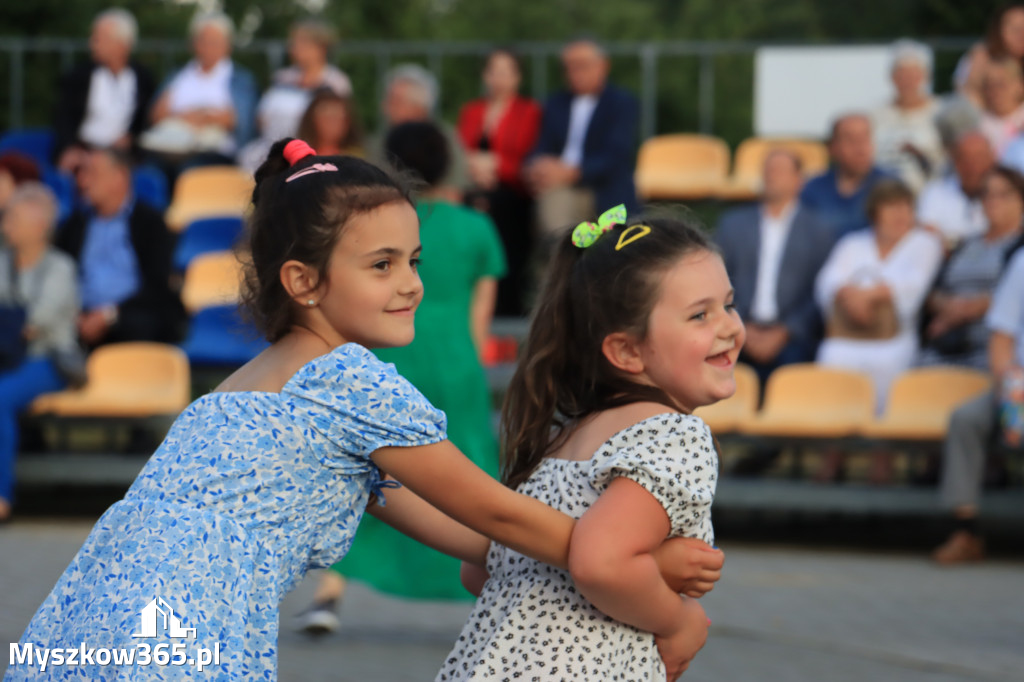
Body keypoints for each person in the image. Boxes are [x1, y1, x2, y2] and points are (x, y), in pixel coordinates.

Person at [8, 140, 723, 680]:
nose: (410, 283)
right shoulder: (351, 384)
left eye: (415, 261)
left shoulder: (253, 381)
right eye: (381, 265)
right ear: (303, 281)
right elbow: (498, 515)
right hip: (183, 633)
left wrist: (614, 554)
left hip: (86, 618)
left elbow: (470, 537)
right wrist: (640, 554)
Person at [437, 205, 739, 681]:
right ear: (626, 351)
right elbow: (601, 563)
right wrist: (677, 620)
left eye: (729, 303)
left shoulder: (561, 437)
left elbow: (478, 573)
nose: (728, 326)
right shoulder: (675, 436)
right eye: (700, 315)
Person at [297, 121, 507, 631]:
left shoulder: (383, 225)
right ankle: (502, 594)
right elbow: (480, 322)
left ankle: (330, 593)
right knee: (475, 477)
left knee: (368, 478)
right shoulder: (477, 228)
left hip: (393, 357)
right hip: (455, 361)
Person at [815, 179, 944, 410]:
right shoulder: (852, 242)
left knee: (888, 396)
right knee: (830, 361)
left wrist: (870, 296)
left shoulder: (925, 243)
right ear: (875, 212)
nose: (899, 214)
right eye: (891, 206)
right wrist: (850, 297)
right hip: (846, 337)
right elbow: (827, 282)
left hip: (895, 340)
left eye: (905, 206)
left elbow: (914, 286)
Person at [933, 248, 1024, 564]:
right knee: (966, 419)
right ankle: (965, 531)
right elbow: (1001, 337)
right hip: (1018, 385)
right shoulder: (1021, 262)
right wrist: (1009, 387)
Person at [715, 149, 837, 384]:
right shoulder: (733, 225)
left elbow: (821, 291)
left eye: (780, 170)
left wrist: (785, 331)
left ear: (799, 180)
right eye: (768, 170)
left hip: (794, 339)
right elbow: (718, 280)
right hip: (737, 332)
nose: (772, 176)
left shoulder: (819, 230)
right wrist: (739, 325)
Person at [0, 184, 81, 522]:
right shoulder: (2, 261)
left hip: (48, 359)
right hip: (6, 355)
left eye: (12, 218)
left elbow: (37, 323)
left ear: (39, 225)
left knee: (0, 397)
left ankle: (2, 495)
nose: (5, 225)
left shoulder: (60, 268)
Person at [55, 148, 184, 348]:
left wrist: (109, 315)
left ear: (119, 177)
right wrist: (75, 314)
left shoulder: (150, 222)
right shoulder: (74, 225)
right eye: (80, 174)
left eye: (92, 173)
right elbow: (62, 274)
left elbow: (157, 285)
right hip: (80, 317)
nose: (82, 182)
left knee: (141, 326)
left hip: (132, 317)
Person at [526, 39, 640, 240]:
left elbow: (616, 154)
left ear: (603, 66)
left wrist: (573, 172)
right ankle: (564, 267)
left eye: (582, 66)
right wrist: (537, 168)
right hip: (561, 188)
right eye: (569, 67)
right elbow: (541, 146)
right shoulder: (555, 104)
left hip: (606, 188)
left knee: (615, 243)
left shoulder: (621, 102)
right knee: (557, 229)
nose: (575, 73)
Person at [457, 48, 542, 316]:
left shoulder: (529, 112)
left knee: (498, 211)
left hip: (513, 193)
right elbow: (461, 151)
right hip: (474, 187)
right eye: (494, 71)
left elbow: (529, 160)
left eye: (506, 72)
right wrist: (476, 168)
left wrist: (495, 165)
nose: (499, 79)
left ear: (517, 77)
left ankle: (505, 307)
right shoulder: (472, 111)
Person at [919, 166, 1024, 369]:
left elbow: (1015, 297)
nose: (993, 201)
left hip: (991, 349)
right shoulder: (965, 244)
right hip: (946, 343)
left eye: (1003, 194)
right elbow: (933, 291)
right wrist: (949, 309)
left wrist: (967, 310)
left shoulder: (1020, 248)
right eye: (987, 194)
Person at [143, 11, 257, 168]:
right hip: (170, 148)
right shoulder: (178, 76)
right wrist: (194, 117)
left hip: (216, 153)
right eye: (203, 41)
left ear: (227, 45)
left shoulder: (240, 80)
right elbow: (156, 115)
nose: (208, 47)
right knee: (147, 171)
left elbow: (241, 122)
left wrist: (197, 116)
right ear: (193, 43)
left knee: (190, 170)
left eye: (214, 42)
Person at [237, 18, 353, 173]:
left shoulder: (336, 83)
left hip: (313, 154)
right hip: (273, 150)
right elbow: (261, 118)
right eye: (294, 42)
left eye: (302, 42)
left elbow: (339, 126)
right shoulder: (281, 78)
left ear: (321, 47)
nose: (294, 47)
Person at [52, 8, 156, 173]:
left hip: (123, 155)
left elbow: (146, 119)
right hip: (84, 151)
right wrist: (69, 148)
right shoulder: (79, 76)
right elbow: (63, 118)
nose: (93, 43)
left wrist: (132, 139)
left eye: (100, 38)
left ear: (122, 44)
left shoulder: (142, 78)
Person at [369, 64, 467, 195]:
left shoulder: (444, 140)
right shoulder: (379, 141)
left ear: (419, 107)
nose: (385, 107)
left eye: (395, 101)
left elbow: (455, 189)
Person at [801, 113, 890, 238]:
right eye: (851, 140)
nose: (860, 148)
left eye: (865, 138)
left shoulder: (889, 187)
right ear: (833, 148)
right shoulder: (813, 189)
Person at [872, 39, 944, 193]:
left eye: (913, 75)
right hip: (882, 194)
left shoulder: (941, 112)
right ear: (892, 77)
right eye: (902, 74)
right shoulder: (875, 115)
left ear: (925, 77)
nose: (907, 81)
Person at [917, 131, 996, 249]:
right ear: (955, 162)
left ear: (993, 158)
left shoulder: (1011, 193)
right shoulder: (936, 191)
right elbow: (927, 234)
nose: (973, 165)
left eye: (979, 157)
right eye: (965, 158)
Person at [954, 2, 1024, 107]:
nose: (1021, 34)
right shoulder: (981, 56)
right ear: (998, 30)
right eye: (1014, 28)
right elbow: (966, 97)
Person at [295, 88, 364, 157]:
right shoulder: (300, 156)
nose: (332, 124)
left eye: (339, 118)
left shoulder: (355, 158)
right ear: (311, 121)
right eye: (327, 118)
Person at [978, 57, 1024, 157]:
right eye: (988, 85)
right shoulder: (978, 123)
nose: (994, 91)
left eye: (1001, 84)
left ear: (1020, 86)